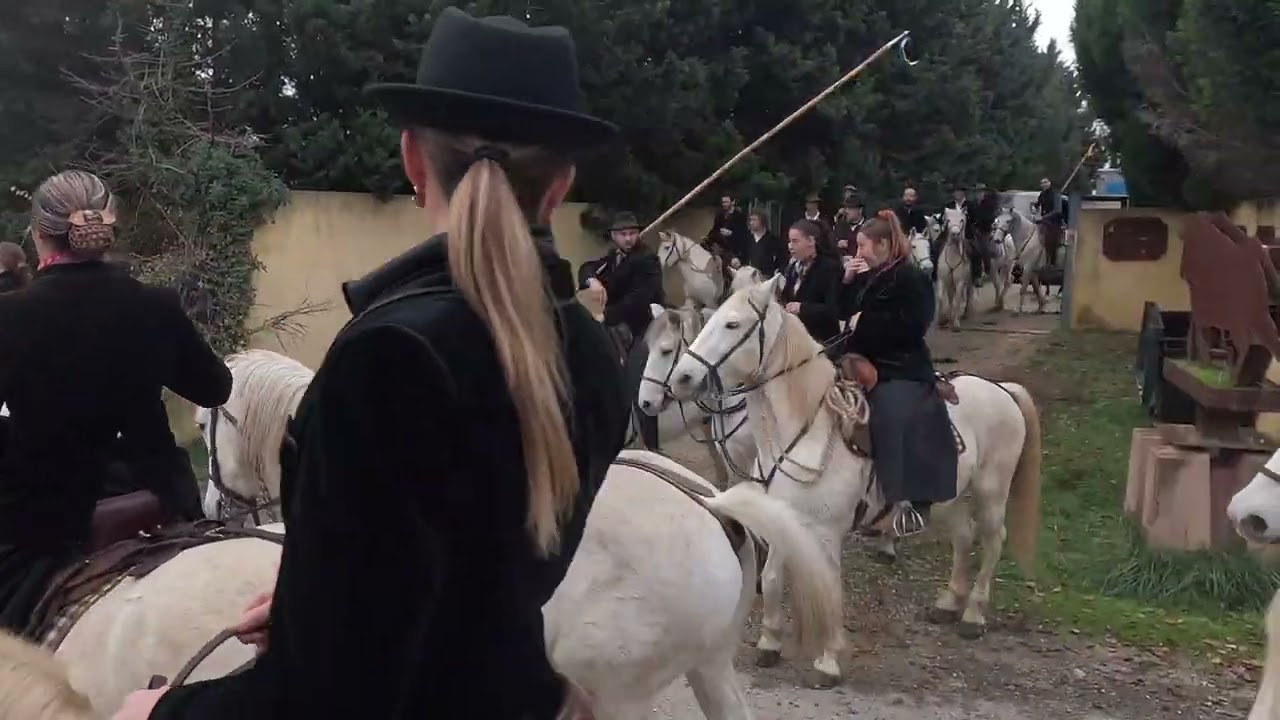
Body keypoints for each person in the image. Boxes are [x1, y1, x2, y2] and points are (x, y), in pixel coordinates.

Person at [119, 10, 628, 720]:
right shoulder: (596, 355)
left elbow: (331, 695)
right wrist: (309, 606)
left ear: (413, 162)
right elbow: (474, 593)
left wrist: (160, 714)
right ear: (561, 184)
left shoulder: (387, 357)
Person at [0, 170, 231, 633]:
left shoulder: (9, 315)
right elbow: (216, 389)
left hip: (47, 518)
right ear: (108, 230)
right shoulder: (156, 305)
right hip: (160, 496)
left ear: (38, 235)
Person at [839, 210, 957, 535]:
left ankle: (906, 501)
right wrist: (848, 283)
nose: (858, 252)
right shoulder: (872, 276)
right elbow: (845, 314)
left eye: (863, 246)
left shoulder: (911, 278)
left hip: (900, 365)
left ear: (884, 244)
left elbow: (913, 327)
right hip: (860, 360)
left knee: (890, 412)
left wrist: (864, 323)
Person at [578, 210, 663, 450]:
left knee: (637, 383)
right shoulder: (613, 257)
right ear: (614, 236)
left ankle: (651, 446)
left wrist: (607, 316)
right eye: (623, 234)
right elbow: (587, 267)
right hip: (613, 324)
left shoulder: (647, 259)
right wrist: (591, 280)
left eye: (632, 233)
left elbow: (641, 296)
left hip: (639, 326)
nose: (628, 238)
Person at [779, 218, 843, 344]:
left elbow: (833, 309)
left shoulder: (829, 267)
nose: (790, 246)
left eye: (795, 241)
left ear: (810, 241)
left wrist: (803, 308)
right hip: (796, 338)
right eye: (789, 241)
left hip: (821, 341)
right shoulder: (792, 267)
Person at [705, 193, 749, 264]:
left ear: (733, 202)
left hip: (734, 250)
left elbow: (744, 234)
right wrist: (707, 238)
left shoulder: (740, 216)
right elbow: (715, 229)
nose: (724, 204)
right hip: (720, 248)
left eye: (726, 202)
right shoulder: (720, 215)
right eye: (723, 202)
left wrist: (731, 233)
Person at [970, 183, 1000, 283]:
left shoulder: (989, 203)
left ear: (984, 192)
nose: (979, 194)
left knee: (984, 248)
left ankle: (987, 270)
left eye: (981, 192)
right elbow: (970, 216)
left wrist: (980, 222)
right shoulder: (973, 203)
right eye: (977, 192)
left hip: (985, 229)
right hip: (973, 229)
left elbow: (991, 216)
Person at [745, 209, 788, 278]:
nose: (751, 222)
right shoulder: (747, 239)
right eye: (750, 220)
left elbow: (781, 259)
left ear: (762, 221)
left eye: (754, 220)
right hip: (749, 277)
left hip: (767, 278)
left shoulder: (773, 240)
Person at [1036, 177, 1064, 267]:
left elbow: (1058, 210)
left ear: (1049, 183)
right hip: (1044, 221)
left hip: (1054, 222)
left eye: (1045, 182)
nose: (1043, 184)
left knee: (1051, 240)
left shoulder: (1056, 194)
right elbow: (1038, 203)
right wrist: (1035, 207)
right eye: (1042, 183)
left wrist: (1045, 217)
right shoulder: (1042, 194)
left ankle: (1052, 262)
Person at [832, 190, 867, 257]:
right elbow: (831, 246)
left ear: (860, 210)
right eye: (846, 208)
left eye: (850, 208)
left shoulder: (868, 227)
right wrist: (837, 244)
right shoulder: (839, 226)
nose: (846, 211)